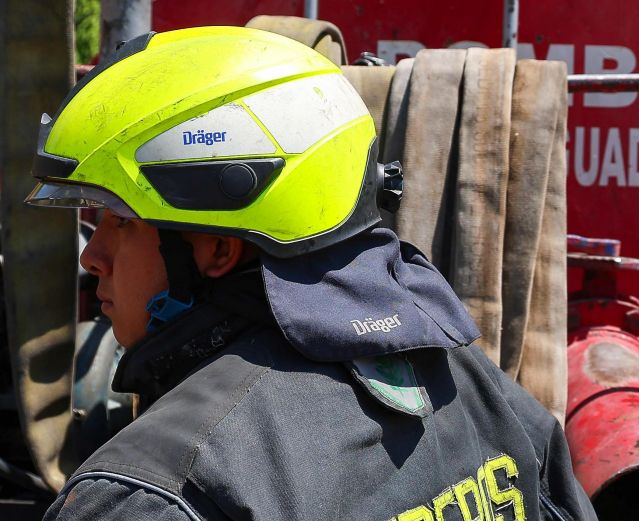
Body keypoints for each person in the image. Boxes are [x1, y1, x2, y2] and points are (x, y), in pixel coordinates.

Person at [29, 26, 597, 520]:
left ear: (217, 248)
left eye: (118, 222)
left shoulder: (151, 495)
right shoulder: (480, 387)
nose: (90, 256)